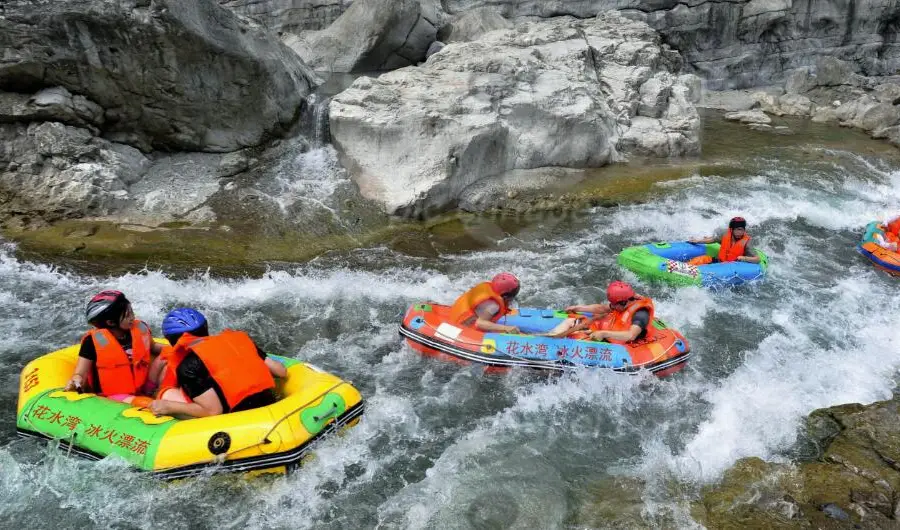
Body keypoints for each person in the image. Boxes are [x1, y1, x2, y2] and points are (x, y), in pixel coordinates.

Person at [149, 308, 287, 419]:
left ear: (172, 340)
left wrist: (168, 406)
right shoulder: (239, 340)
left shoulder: (188, 366)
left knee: (168, 394)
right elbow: (281, 371)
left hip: (239, 419)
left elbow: (212, 411)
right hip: (270, 403)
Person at [64, 290, 167, 405]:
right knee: (144, 403)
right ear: (111, 322)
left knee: (168, 356)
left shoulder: (136, 330)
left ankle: (157, 392)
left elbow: (152, 347)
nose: (133, 317)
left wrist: (176, 350)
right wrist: (76, 380)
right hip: (114, 395)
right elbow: (80, 373)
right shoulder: (92, 342)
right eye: (127, 315)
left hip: (142, 385)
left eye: (131, 312)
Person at [544, 281, 654, 343]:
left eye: (614, 303)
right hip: (614, 329)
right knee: (571, 321)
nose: (611, 306)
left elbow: (631, 335)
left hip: (626, 343)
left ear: (623, 302)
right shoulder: (624, 302)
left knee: (582, 341)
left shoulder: (641, 314)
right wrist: (579, 308)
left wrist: (603, 333)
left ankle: (551, 346)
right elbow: (602, 309)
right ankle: (549, 339)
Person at [447, 272, 521, 334]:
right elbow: (480, 323)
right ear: (505, 295)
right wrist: (506, 328)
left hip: (455, 316)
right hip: (461, 328)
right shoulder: (493, 305)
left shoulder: (487, 289)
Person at [687, 216, 760, 265]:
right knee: (700, 259)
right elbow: (713, 240)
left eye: (741, 230)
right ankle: (683, 268)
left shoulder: (746, 242)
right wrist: (698, 241)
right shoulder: (725, 234)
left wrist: (744, 258)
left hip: (732, 266)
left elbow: (757, 259)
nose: (740, 232)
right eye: (737, 230)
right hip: (719, 261)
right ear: (731, 230)